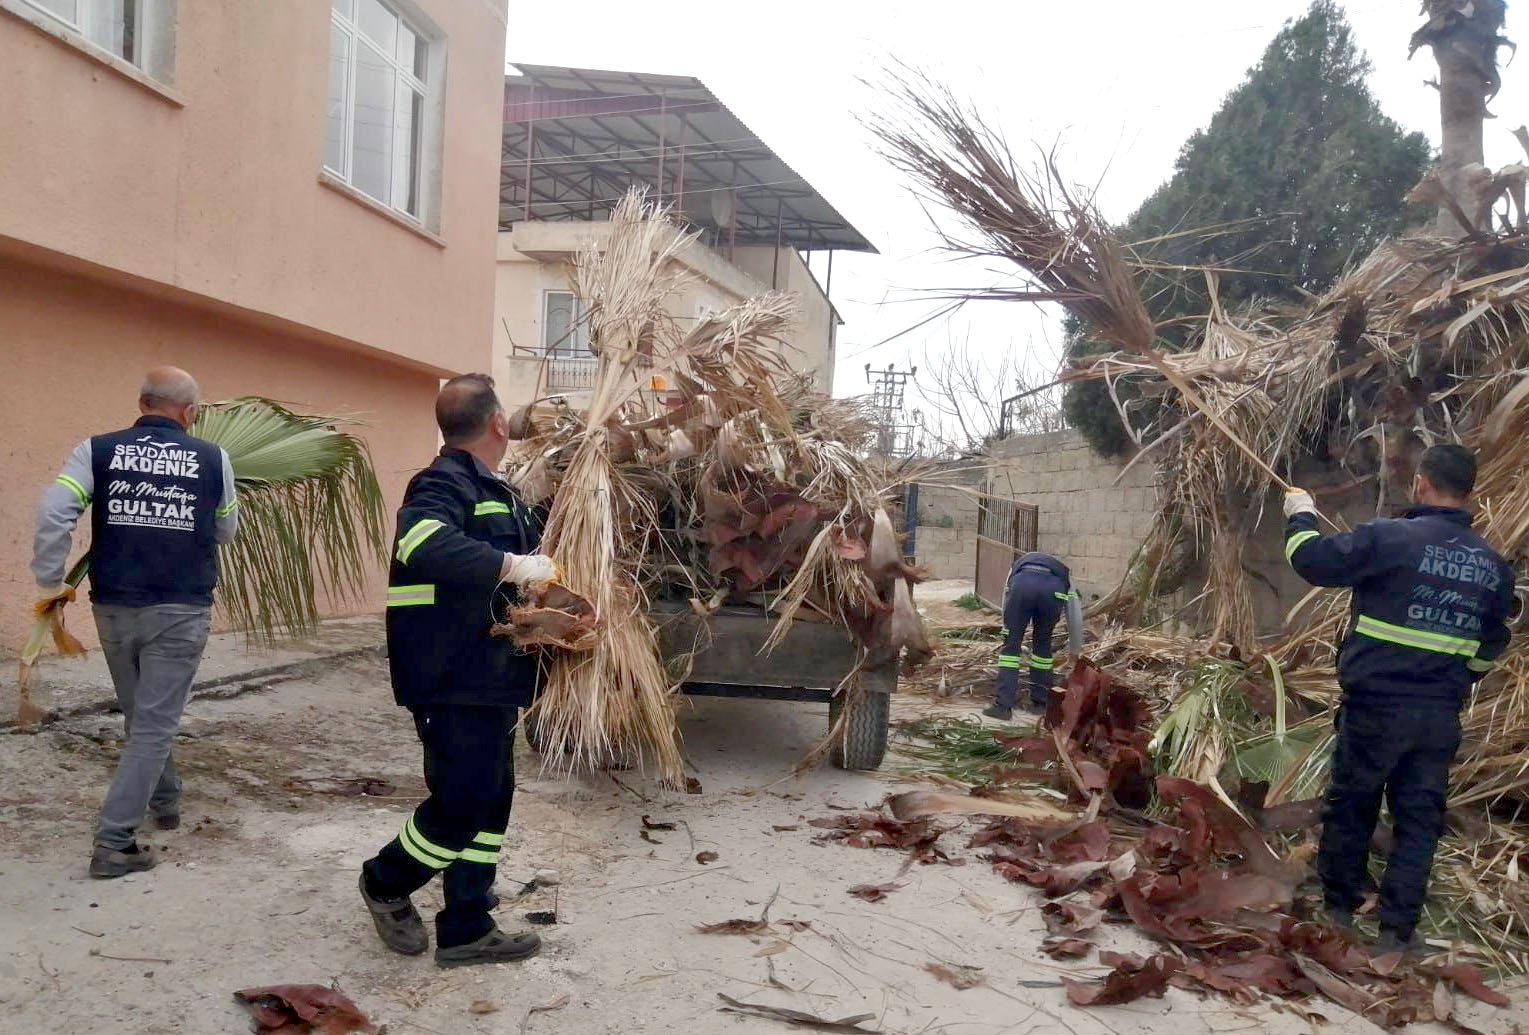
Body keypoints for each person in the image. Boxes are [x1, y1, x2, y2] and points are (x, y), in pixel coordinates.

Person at [358, 373, 555, 968]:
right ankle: (385, 881)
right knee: (462, 799)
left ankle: (468, 923)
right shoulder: (442, 483)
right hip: (450, 673)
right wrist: (510, 564)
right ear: (497, 423)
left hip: (494, 672)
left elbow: (536, 543)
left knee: (493, 798)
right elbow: (420, 543)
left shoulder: (500, 490)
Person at [1284, 444, 1513, 955]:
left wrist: (1298, 515)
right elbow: (1494, 640)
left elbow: (1312, 561)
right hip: (1437, 716)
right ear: (1469, 493)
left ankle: (1339, 909)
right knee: (1418, 818)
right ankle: (1397, 931)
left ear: (1421, 483)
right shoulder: (1493, 567)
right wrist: (1461, 678)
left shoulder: (1390, 539)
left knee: (1352, 805)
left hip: (1375, 707)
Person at [31, 367, 239, 879]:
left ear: (142, 402)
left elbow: (54, 512)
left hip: (115, 607)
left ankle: (165, 801)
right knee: (153, 724)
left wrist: (51, 581)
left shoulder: (96, 451)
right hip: (179, 608)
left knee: (141, 713)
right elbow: (226, 529)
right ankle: (114, 842)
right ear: (189, 413)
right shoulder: (214, 458)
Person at [983, 551, 1083, 720]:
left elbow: (1006, 596)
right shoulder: (1064, 575)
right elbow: (1075, 616)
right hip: (1053, 592)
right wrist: (1075, 652)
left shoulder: (1017, 566)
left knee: (1011, 649)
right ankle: (1040, 703)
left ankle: (1003, 706)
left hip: (1022, 587)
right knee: (1042, 645)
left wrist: (1007, 626)